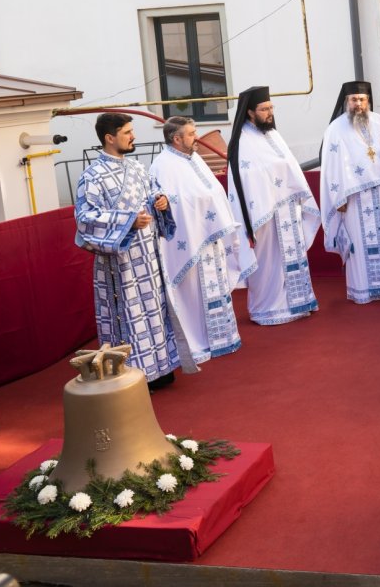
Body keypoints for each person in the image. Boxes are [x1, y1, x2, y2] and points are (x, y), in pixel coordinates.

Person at [75, 113, 180, 388]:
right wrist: (129, 222)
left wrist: (161, 201)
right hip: (120, 263)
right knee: (129, 316)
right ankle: (132, 377)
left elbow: (153, 192)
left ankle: (161, 367)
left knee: (154, 311)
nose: (133, 137)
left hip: (149, 257)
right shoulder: (92, 176)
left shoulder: (137, 167)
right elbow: (85, 219)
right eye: (127, 132)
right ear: (110, 138)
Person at [150, 116, 255, 369]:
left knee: (215, 287)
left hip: (211, 237)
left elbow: (212, 193)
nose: (196, 137)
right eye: (191, 134)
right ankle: (197, 342)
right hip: (189, 243)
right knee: (193, 294)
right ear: (176, 139)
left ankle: (223, 338)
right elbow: (168, 202)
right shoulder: (162, 165)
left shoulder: (194, 158)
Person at [227, 86, 320, 325]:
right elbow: (246, 178)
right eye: (264, 109)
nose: (270, 113)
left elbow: (290, 167)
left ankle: (299, 302)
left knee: (292, 256)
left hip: (287, 209)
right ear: (250, 112)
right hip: (264, 213)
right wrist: (270, 197)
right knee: (269, 262)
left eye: (271, 108)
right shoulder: (242, 141)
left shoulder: (273, 135)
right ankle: (268, 308)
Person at [319, 81, 380, 304]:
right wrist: (337, 198)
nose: (358, 104)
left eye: (362, 99)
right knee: (361, 245)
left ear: (368, 100)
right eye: (354, 100)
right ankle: (365, 289)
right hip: (356, 198)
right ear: (347, 101)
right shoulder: (335, 129)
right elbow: (330, 166)